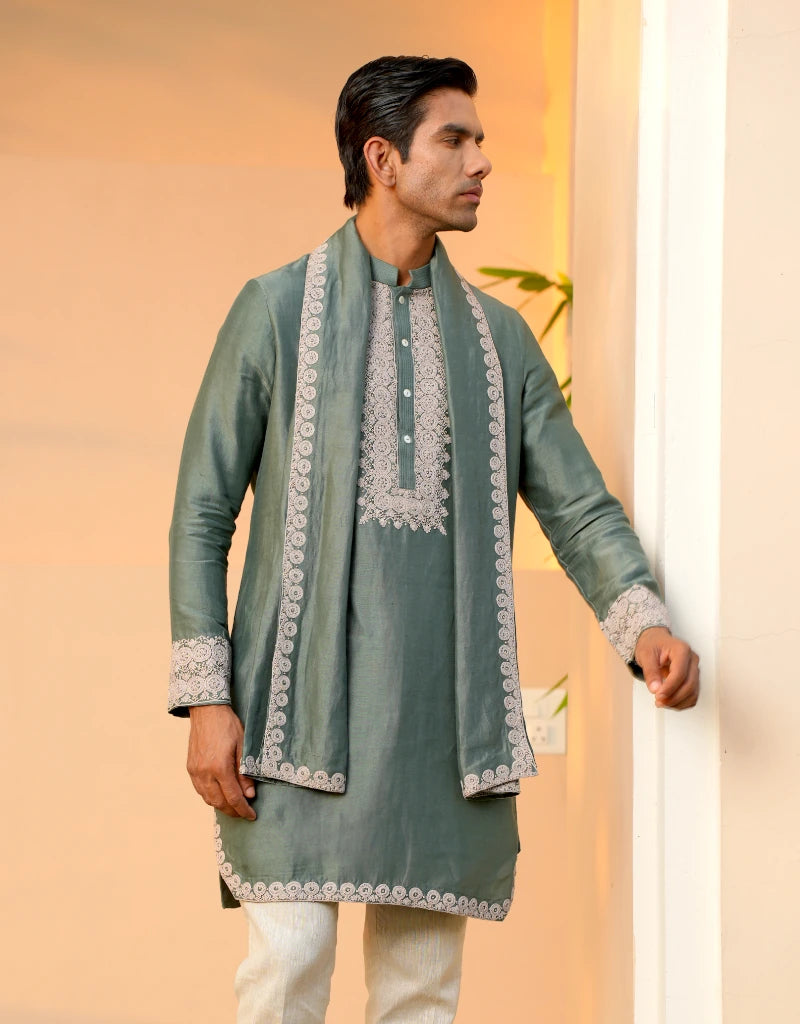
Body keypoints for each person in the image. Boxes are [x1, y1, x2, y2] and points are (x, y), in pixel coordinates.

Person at [167, 54, 700, 1024]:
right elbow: (202, 509)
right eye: (454, 139)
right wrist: (206, 695)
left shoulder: (498, 342)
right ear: (382, 158)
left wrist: (641, 624)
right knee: (289, 959)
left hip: (437, 728)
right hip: (294, 718)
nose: (479, 161)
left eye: (480, 140)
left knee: (418, 995)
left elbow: (575, 505)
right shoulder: (276, 312)